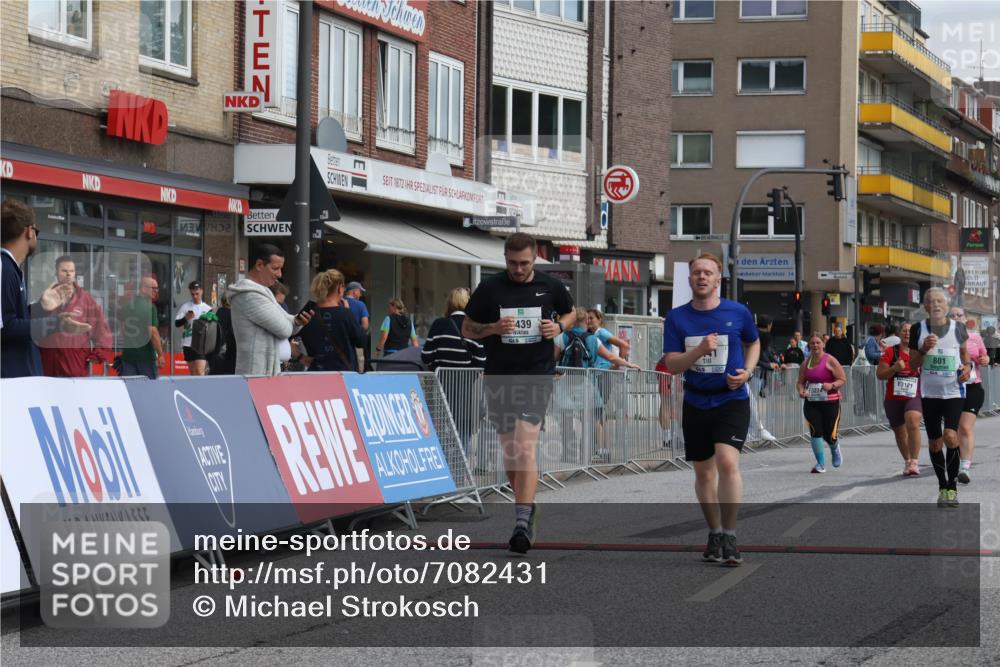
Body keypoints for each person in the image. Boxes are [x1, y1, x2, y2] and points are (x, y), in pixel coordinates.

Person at [462, 233, 575, 554]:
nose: (518, 269)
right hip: (499, 376)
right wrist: (494, 329)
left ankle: (521, 521)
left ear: (535, 259)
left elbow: (571, 313)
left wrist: (559, 328)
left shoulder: (550, 286)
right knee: (511, 453)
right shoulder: (490, 288)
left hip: (537, 375)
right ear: (504, 258)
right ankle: (528, 506)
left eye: (524, 263)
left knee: (525, 447)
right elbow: (467, 328)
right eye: (512, 263)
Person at [662, 253, 760, 567]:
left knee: (728, 462)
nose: (702, 277)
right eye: (696, 273)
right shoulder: (677, 317)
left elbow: (754, 343)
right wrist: (700, 351)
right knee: (704, 473)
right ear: (689, 279)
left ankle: (730, 533)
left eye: (708, 273)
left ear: (718, 279)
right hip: (695, 400)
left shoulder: (737, 312)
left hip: (730, 399)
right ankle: (714, 531)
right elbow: (672, 364)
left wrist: (747, 371)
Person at [909, 288, 971, 508]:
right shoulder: (918, 329)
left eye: (939, 301)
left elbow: (965, 356)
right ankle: (942, 486)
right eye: (930, 301)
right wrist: (924, 349)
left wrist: (968, 367)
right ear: (925, 306)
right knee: (935, 443)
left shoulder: (959, 329)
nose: (935, 305)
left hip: (954, 391)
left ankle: (952, 489)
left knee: (951, 436)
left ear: (946, 305)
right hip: (929, 393)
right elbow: (912, 364)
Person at [1, 199, 73, 377]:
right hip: (11, 384)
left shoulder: (10, 268)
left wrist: (40, 307)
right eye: (36, 231)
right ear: (29, 231)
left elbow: (10, 319)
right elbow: (6, 328)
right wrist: (55, 323)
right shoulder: (4, 268)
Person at [556, 307, 638, 461]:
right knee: (593, 418)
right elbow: (611, 357)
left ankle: (568, 452)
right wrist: (628, 364)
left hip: (565, 382)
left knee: (565, 416)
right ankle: (597, 451)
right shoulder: (593, 339)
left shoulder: (562, 337)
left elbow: (552, 358)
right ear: (586, 321)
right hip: (587, 382)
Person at [226, 244, 311, 376]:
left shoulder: (264, 292)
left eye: (281, 269)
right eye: (275, 268)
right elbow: (285, 330)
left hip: (266, 373)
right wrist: (292, 322)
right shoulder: (250, 295)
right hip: (254, 374)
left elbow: (289, 322)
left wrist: (297, 321)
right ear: (259, 265)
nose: (279, 274)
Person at [37, 254, 113, 377]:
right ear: (56, 272)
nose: (68, 274)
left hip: (76, 366)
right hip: (48, 368)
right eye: (64, 271)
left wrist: (98, 354)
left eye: (71, 271)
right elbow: (35, 329)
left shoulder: (86, 299)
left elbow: (102, 330)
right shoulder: (47, 297)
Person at [796, 333, 847, 473]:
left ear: (823, 344)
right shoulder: (806, 363)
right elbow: (800, 383)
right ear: (809, 346)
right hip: (812, 402)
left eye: (818, 342)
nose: (815, 345)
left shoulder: (830, 360)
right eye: (812, 343)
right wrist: (801, 391)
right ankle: (821, 464)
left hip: (830, 402)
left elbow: (842, 379)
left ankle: (834, 448)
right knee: (815, 431)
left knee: (830, 434)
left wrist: (831, 386)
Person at [297, 269, 366, 372]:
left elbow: (287, 337)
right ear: (339, 288)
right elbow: (361, 341)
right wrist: (348, 312)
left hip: (316, 372)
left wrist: (300, 357)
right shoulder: (345, 314)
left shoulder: (307, 313)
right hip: (342, 373)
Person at [876, 322, 922, 477]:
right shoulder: (890, 352)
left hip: (914, 394)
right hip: (893, 397)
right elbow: (880, 375)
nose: (907, 334)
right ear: (900, 333)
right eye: (904, 331)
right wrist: (894, 368)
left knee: (913, 421)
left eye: (910, 331)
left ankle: (915, 461)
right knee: (900, 432)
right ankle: (908, 461)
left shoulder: (920, 353)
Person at [949, 308, 989, 485]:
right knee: (952, 432)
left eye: (959, 315)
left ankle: (965, 467)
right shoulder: (943, 339)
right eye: (952, 315)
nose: (956, 318)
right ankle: (956, 457)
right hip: (951, 389)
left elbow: (984, 355)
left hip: (973, 387)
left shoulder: (975, 338)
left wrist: (985, 360)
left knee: (965, 427)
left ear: (965, 319)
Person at [422, 287, 486, 370]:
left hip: (439, 381)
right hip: (466, 381)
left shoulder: (438, 324)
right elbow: (481, 363)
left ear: (449, 303)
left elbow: (425, 357)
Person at [119, 274, 166, 379]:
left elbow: (122, 330)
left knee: (131, 390)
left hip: (128, 356)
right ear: (143, 289)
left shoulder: (126, 306)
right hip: (146, 358)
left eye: (157, 288)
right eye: (153, 288)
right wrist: (161, 354)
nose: (156, 291)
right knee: (150, 390)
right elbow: (153, 333)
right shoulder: (150, 307)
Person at [174, 280, 213, 376]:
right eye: (192, 294)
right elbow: (177, 323)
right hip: (187, 343)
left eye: (197, 293)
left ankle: (203, 390)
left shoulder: (208, 309)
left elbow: (212, 329)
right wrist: (186, 318)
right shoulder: (185, 306)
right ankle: (195, 390)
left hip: (201, 344)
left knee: (200, 372)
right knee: (193, 372)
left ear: (201, 291)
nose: (195, 296)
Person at [208, 293, 237, 375]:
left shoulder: (212, 311)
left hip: (211, 351)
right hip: (227, 353)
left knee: (214, 377)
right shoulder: (234, 315)